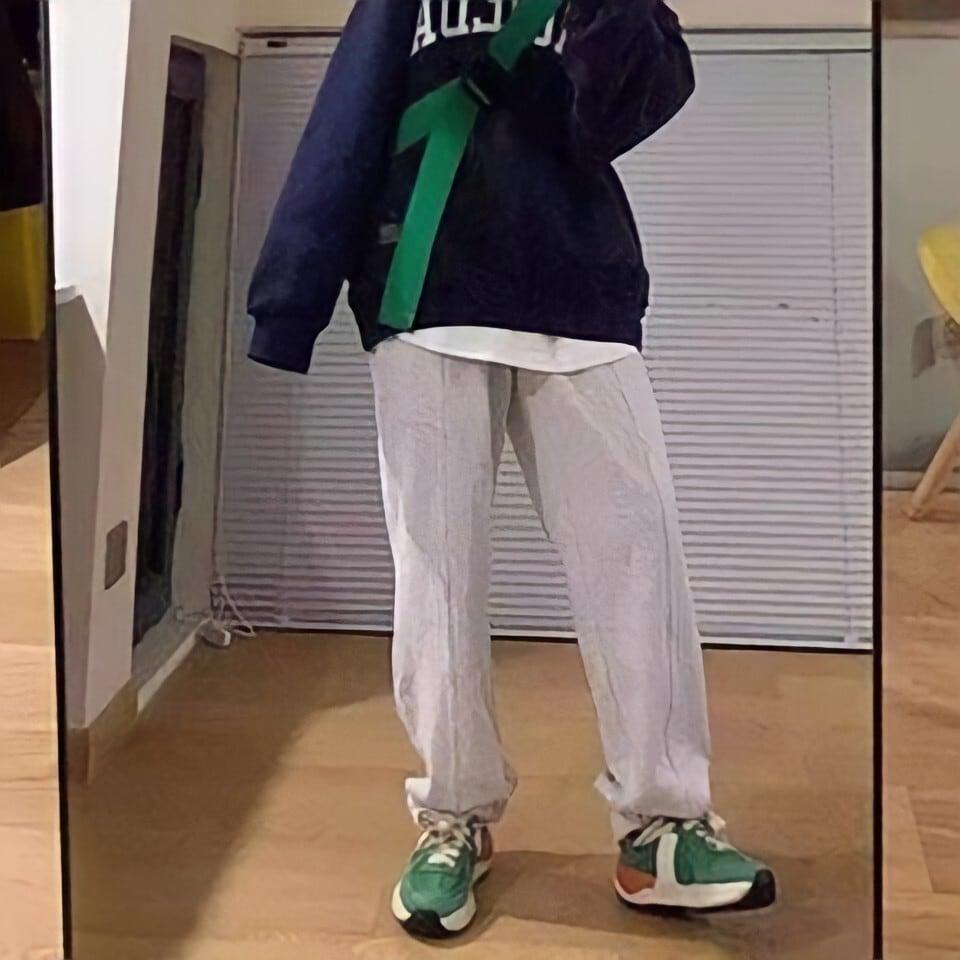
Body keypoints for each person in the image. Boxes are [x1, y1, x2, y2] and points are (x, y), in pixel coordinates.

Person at [248, 0, 777, 941]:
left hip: (579, 287)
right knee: (438, 573)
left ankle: (662, 827)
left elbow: (642, 96)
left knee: (638, 553)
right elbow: (347, 120)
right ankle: (453, 816)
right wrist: (289, 299)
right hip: (428, 288)